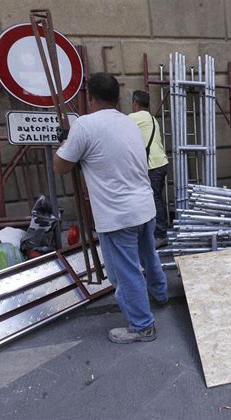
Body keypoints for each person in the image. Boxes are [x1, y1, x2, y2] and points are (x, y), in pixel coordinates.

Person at [53, 73, 168, 344]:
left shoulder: (84, 125)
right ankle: (161, 295)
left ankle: (142, 326)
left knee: (125, 272)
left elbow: (61, 166)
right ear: (119, 99)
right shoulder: (129, 123)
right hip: (144, 207)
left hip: (118, 215)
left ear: (89, 98)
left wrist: (64, 144)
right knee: (149, 256)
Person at [129, 90, 169, 248]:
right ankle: (158, 231)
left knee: (155, 199)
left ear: (135, 103)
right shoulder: (152, 119)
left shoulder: (133, 118)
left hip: (153, 165)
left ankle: (160, 234)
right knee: (157, 198)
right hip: (161, 163)